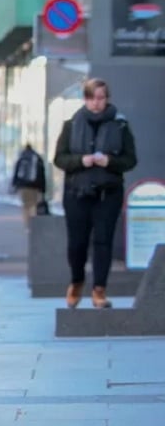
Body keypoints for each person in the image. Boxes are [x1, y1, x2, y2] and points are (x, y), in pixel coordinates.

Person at [53, 78, 137, 309]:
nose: (96, 103)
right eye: (91, 98)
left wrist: (109, 161)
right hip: (77, 192)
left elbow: (130, 160)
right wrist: (82, 160)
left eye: (100, 98)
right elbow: (59, 158)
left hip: (107, 193)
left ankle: (99, 290)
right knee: (77, 244)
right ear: (85, 99)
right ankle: (77, 281)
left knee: (103, 241)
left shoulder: (120, 125)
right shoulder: (72, 125)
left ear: (107, 98)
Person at [11, 143, 46, 228]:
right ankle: (33, 224)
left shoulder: (22, 157)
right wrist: (43, 189)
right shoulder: (37, 157)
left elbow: (16, 172)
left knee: (25, 206)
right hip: (35, 186)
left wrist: (15, 185)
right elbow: (42, 174)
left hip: (23, 187)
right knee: (33, 205)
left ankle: (26, 224)